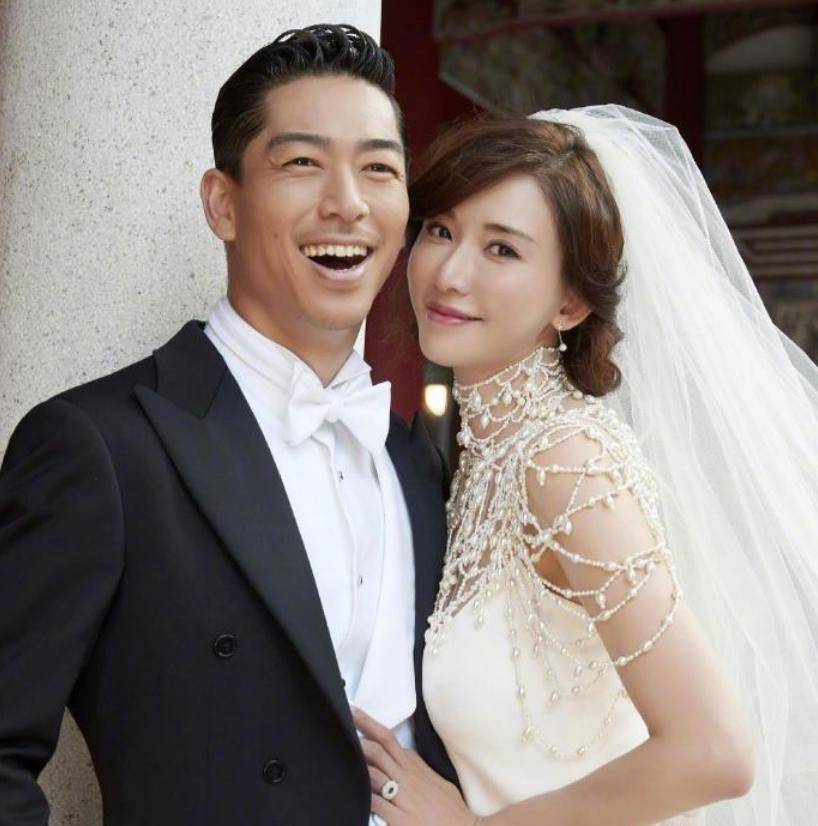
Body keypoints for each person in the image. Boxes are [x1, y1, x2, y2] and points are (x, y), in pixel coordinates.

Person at [0, 24, 455, 826]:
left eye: (378, 168)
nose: (347, 202)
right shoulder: (101, 446)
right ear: (223, 204)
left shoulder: (416, 459)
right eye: (302, 163)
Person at [354, 108, 818, 825]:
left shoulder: (565, 463)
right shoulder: (484, 453)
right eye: (440, 230)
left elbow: (714, 751)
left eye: (502, 249)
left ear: (570, 302)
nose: (449, 272)